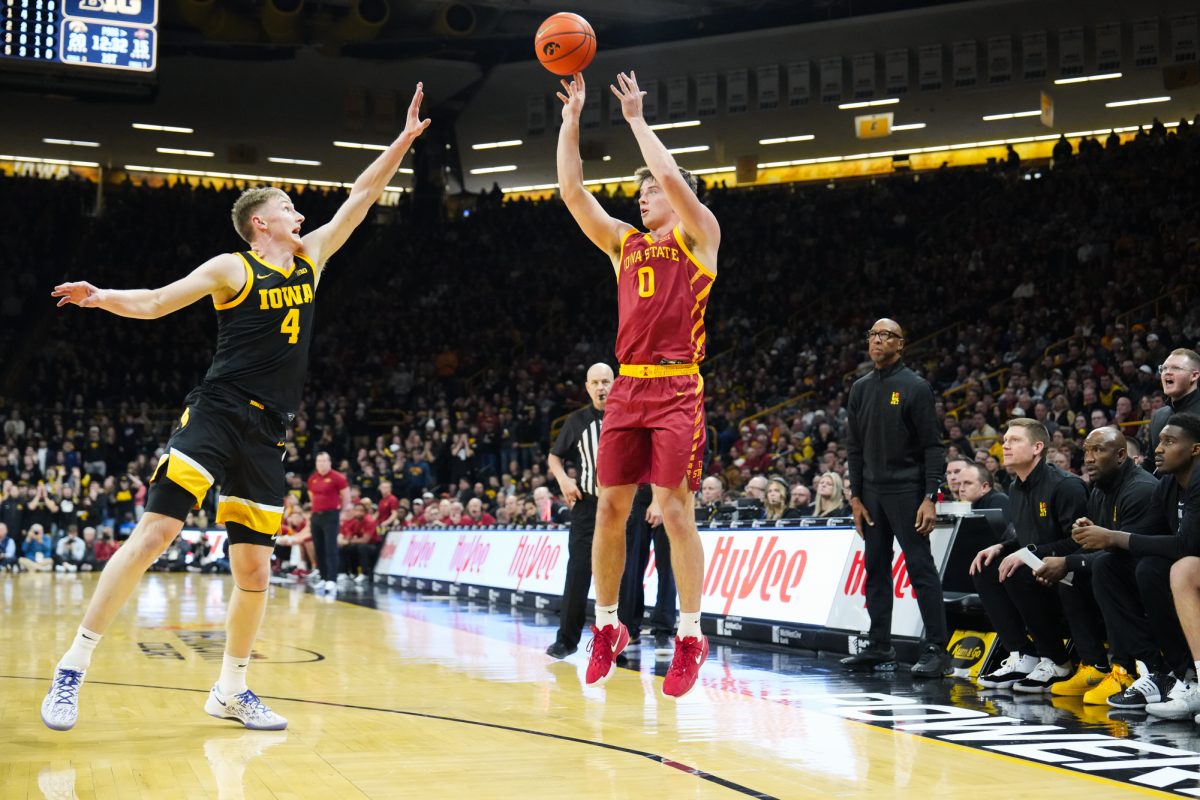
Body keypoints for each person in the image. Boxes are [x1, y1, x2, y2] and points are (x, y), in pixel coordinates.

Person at [39, 82, 431, 733]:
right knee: (156, 534)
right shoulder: (232, 268)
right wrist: (101, 294)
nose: (299, 212)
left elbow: (361, 197)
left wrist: (406, 139)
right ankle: (72, 668)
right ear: (260, 222)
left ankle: (231, 689)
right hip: (218, 412)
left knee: (255, 571)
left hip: (268, 433)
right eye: (287, 205)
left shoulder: (311, 260)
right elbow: (160, 300)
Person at [556, 69, 719, 698]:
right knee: (610, 510)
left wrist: (635, 121)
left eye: (649, 190)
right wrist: (572, 119)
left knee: (675, 512)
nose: (643, 196)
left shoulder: (699, 239)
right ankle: (606, 626)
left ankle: (689, 634)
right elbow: (573, 192)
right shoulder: (626, 245)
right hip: (628, 388)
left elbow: (675, 179)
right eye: (642, 191)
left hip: (678, 388)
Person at [842, 319, 950, 678]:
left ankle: (936, 648)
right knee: (874, 568)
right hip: (871, 494)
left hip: (907, 489)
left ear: (901, 344)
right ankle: (879, 645)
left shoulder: (915, 387)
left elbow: (933, 447)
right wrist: (855, 497)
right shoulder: (859, 388)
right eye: (873, 334)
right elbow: (854, 448)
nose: (877, 340)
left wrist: (930, 496)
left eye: (886, 335)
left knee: (920, 569)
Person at [1072, 414, 1200, 715]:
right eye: (1159, 441)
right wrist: (1098, 534)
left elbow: (1187, 545)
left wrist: (1113, 537)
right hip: (1187, 569)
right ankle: (1168, 672)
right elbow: (1145, 535)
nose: (1158, 448)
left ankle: (1191, 677)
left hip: (1191, 566)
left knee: (1166, 567)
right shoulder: (1167, 485)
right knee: (1113, 566)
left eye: (1169, 442)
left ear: (1195, 449)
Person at [969, 419, 1099, 693]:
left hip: (1074, 573)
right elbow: (1030, 537)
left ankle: (1057, 660)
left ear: (1037, 447)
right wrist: (1002, 547)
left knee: (1017, 570)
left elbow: (1082, 542)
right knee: (985, 566)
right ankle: (1023, 655)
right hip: (1039, 567)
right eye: (1004, 439)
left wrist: (1028, 553)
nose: (1005, 445)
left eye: (1014, 440)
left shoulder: (1066, 486)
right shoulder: (1015, 487)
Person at [1034, 427, 1160, 704]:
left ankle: (1129, 669)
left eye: (1098, 450)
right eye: (1087, 451)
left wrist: (1067, 560)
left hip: (1151, 577)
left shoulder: (1141, 489)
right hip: (1122, 571)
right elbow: (1104, 544)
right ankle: (1094, 666)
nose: (1088, 458)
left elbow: (1129, 552)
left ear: (1120, 455)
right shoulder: (1101, 490)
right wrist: (1086, 534)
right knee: (1073, 575)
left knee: (1100, 568)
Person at [546, 363, 612, 659]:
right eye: (595, 383)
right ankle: (567, 640)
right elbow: (554, 457)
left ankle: (615, 638)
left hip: (622, 506)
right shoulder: (577, 421)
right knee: (578, 570)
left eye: (606, 382)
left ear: (616, 384)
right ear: (587, 387)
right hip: (587, 505)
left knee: (618, 574)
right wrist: (563, 479)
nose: (601, 388)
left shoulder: (629, 418)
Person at [307, 451, 350, 594]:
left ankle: (332, 579)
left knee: (330, 548)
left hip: (331, 515)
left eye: (324, 461)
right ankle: (323, 577)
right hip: (316, 516)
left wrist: (340, 512)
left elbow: (346, 497)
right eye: (319, 461)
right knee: (318, 548)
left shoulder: (338, 478)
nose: (322, 463)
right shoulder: (312, 479)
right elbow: (312, 497)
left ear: (329, 462)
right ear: (316, 463)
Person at [1149, 350, 1200, 452]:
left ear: (1194, 376)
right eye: (1164, 368)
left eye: (1176, 368)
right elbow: (1151, 462)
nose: (1167, 372)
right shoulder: (1158, 415)